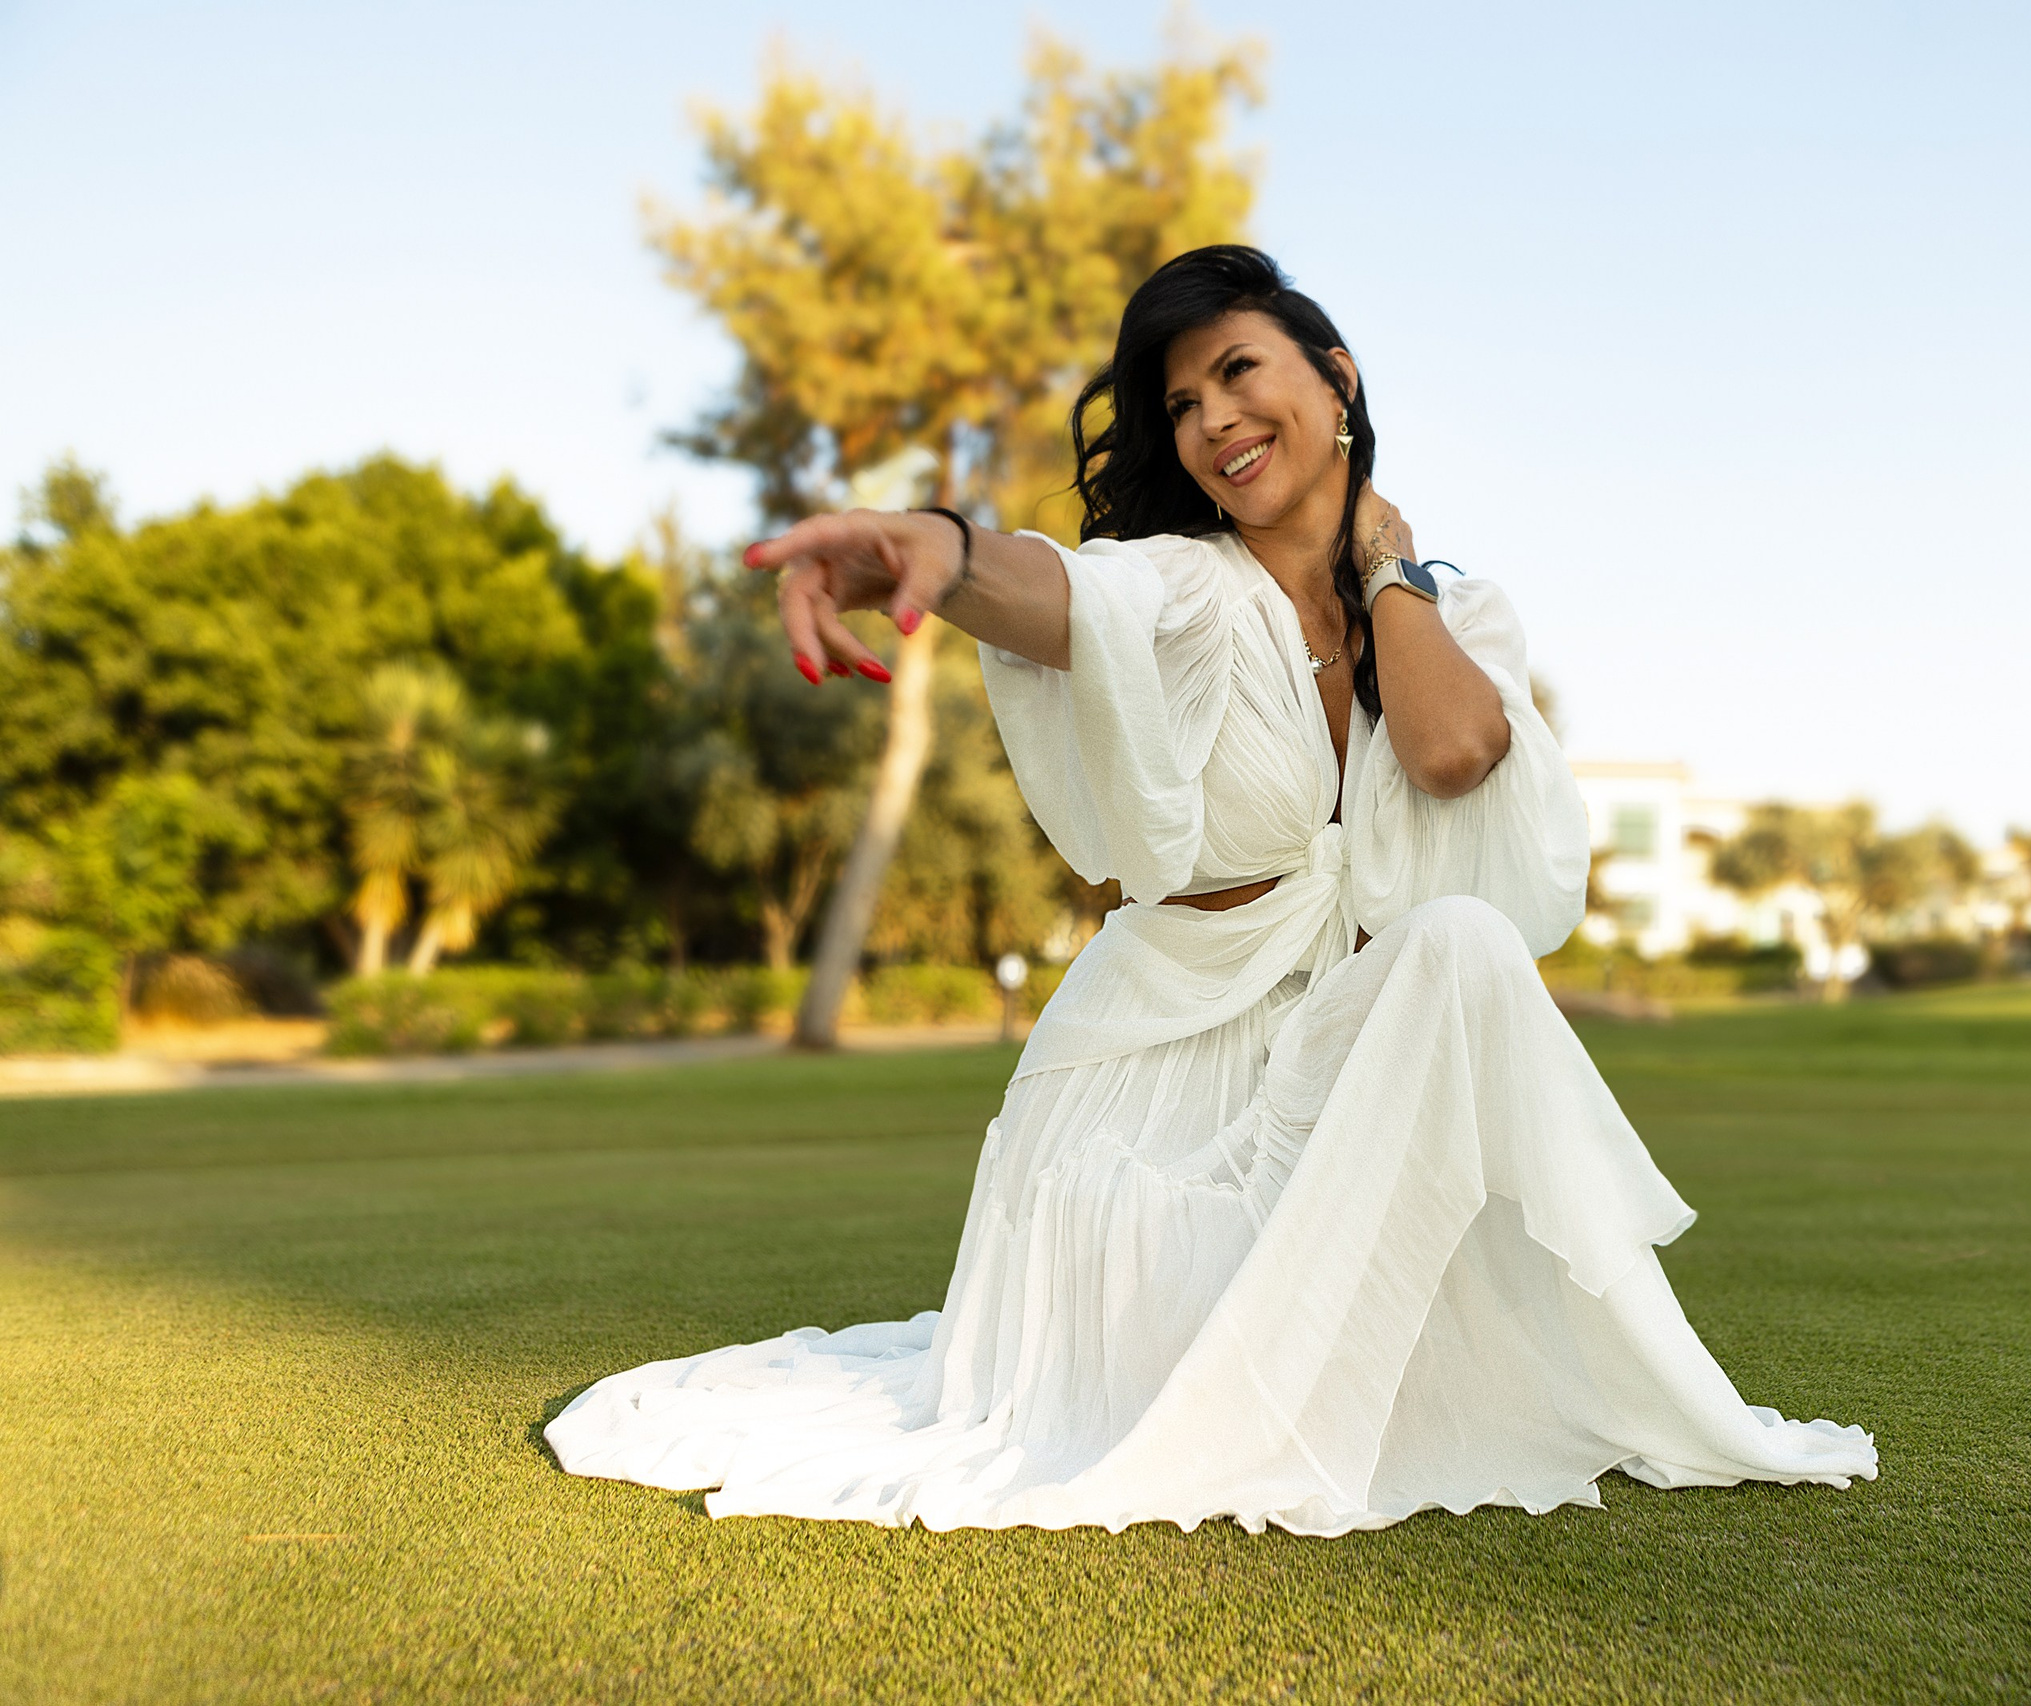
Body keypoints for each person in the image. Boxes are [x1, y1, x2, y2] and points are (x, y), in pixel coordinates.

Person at [545, 246, 1876, 1534]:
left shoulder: (1454, 611)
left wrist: (1381, 566)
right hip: (1155, 1107)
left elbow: (1456, 751)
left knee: (1463, 944)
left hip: (1323, 1085)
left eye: (1238, 372)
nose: (1211, 421)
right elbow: (1062, 589)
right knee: (1447, 966)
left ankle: (1618, 1370)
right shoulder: (1187, 587)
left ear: (1337, 380)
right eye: (1179, 405)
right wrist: (938, 545)